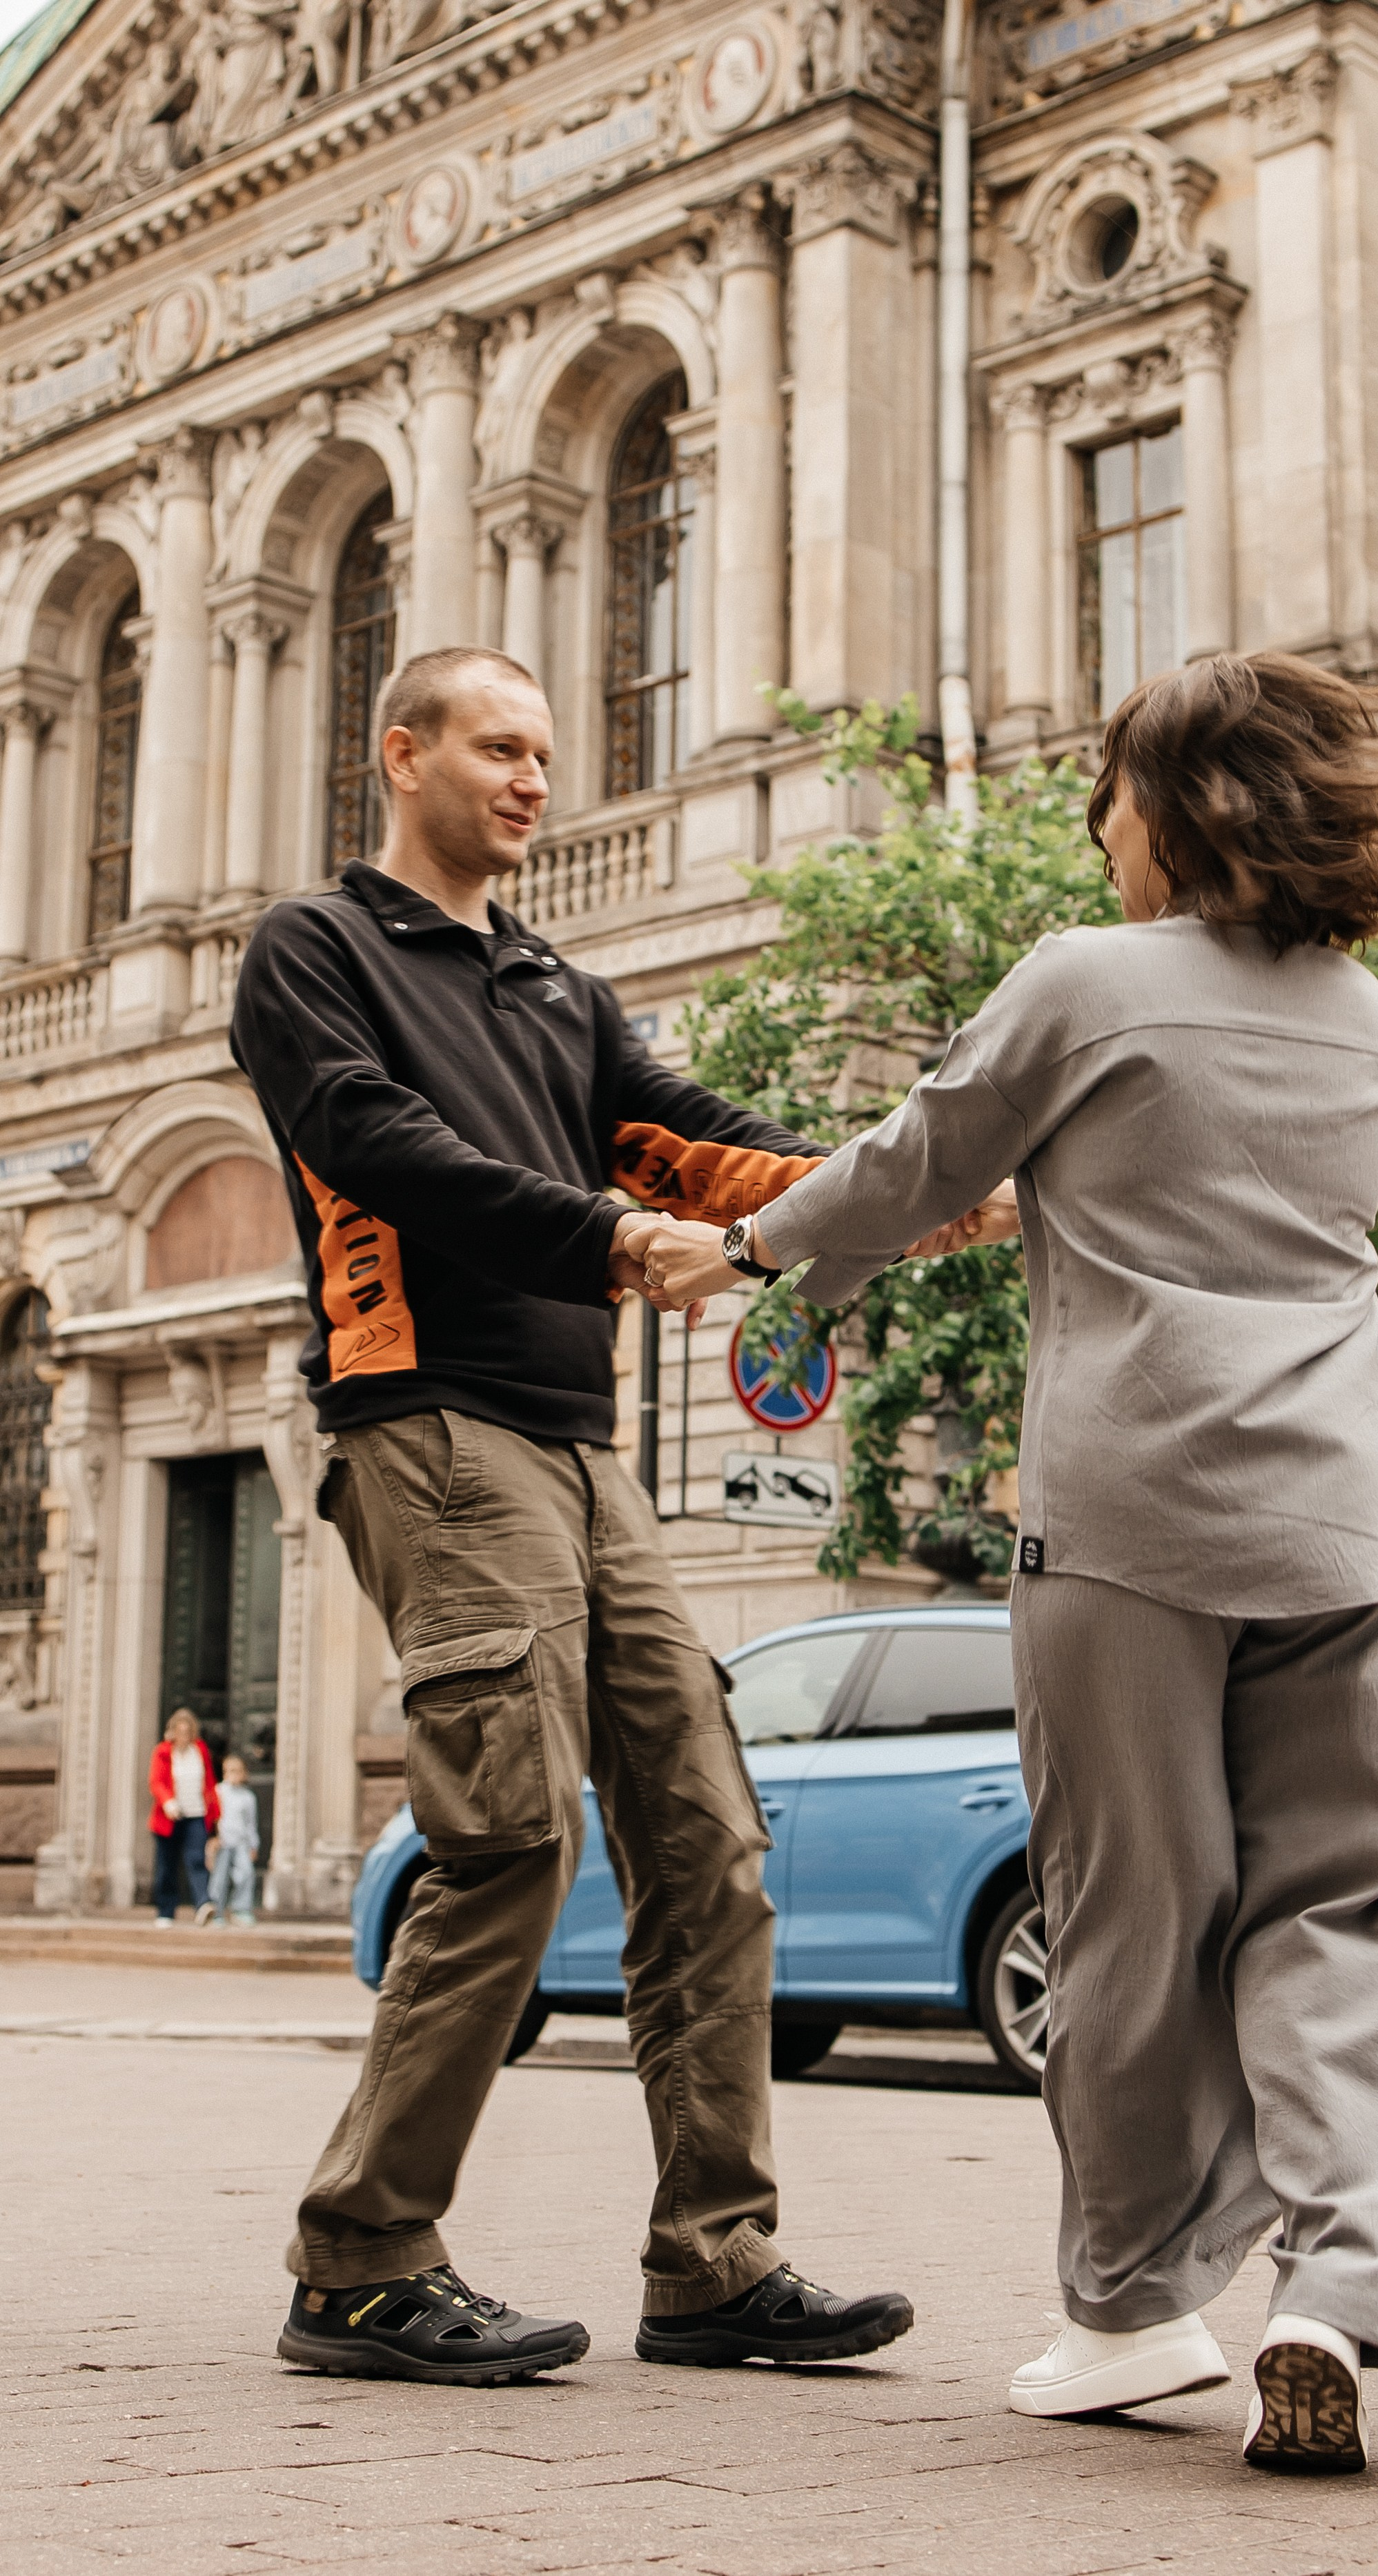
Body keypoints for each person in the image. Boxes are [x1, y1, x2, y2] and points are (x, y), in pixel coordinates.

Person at [642, 651, 1378, 2473]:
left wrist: (750, 1253)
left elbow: (915, 1154)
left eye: (1104, 796)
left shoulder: (1084, 977)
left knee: (1130, 1909)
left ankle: (1128, 2308)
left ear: (1172, 809)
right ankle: (1342, 2283)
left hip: (1131, 1513)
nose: (1093, 830)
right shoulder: (1368, 1014)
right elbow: (1200, 1182)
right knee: (1350, 1906)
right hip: (1346, 1504)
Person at [230, 643, 912, 2388]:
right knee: (511, 1834)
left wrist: (899, 1188)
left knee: (706, 1835)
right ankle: (362, 2260)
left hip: (578, 1448)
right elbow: (369, 1140)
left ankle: (713, 2261)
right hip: (430, 1424)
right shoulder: (319, 951)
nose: (536, 777)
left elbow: (684, 1141)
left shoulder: (549, 979)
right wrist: (607, 1242)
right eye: (499, 747)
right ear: (403, 755)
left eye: (546, 752)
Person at [148, 1709, 220, 1928]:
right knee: (167, 1865)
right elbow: (156, 1781)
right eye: (180, 1731)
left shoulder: (200, 1750)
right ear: (173, 1731)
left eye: (187, 1731)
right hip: (170, 1818)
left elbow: (209, 1781)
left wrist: (216, 1812)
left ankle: (202, 1904)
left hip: (196, 1814)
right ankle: (166, 1910)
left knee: (197, 1860)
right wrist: (168, 1801)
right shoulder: (163, 1752)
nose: (184, 1735)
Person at [200, 1753, 259, 1926]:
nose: (234, 1775)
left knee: (246, 1873)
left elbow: (250, 1823)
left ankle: (241, 1909)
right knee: (219, 1877)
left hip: (241, 1842)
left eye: (238, 1771)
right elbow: (212, 1818)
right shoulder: (218, 1792)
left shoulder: (248, 1797)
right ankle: (217, 1911)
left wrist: (253, 1844)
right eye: (230, 1771)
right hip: (223, 1841)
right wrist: (212, 1839)